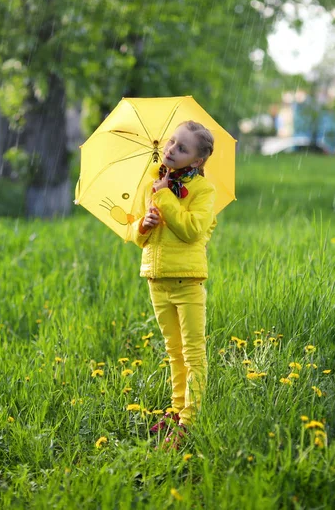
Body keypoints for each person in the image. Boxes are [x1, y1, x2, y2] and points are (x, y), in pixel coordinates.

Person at [127, 120, 216, 448]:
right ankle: (177, 410)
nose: (172, 149)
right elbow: (136, 236)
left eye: (182, 148)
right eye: (172, 142)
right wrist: (144, 225)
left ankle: (191, 420)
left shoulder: (204, 191)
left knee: (193, 353)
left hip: (187, 281)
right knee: (173, 352)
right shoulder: (153, 182)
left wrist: (164, 200)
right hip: (156, 278)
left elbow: (192, 230)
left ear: (197, 161)